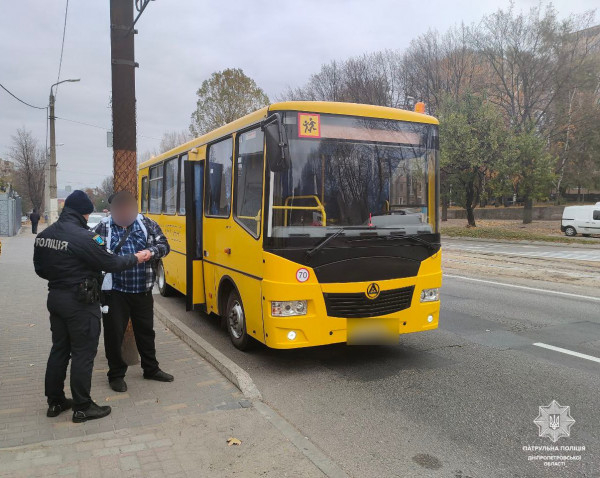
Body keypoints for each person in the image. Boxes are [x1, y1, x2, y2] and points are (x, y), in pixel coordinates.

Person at [33, 190, 152, 423]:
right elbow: (110, 262)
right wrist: (137, 258)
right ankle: (82, 406)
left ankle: (55, 401)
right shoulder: (85, 237)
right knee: (83, 353)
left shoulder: (44, 235)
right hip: (80, 302)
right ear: (85, 213)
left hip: (56, 298)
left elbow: (40, 270)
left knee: (59, 350)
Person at [94, 191, 173, 393]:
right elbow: (94, 246)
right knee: (114, 335)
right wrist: (109, 254)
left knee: (146, 332)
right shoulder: (104, 226)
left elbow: (164, 245)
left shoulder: (146, 224)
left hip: (142, 290)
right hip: (115, 292)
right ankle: (116, 375)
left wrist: (150, 252)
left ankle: (151, 369)